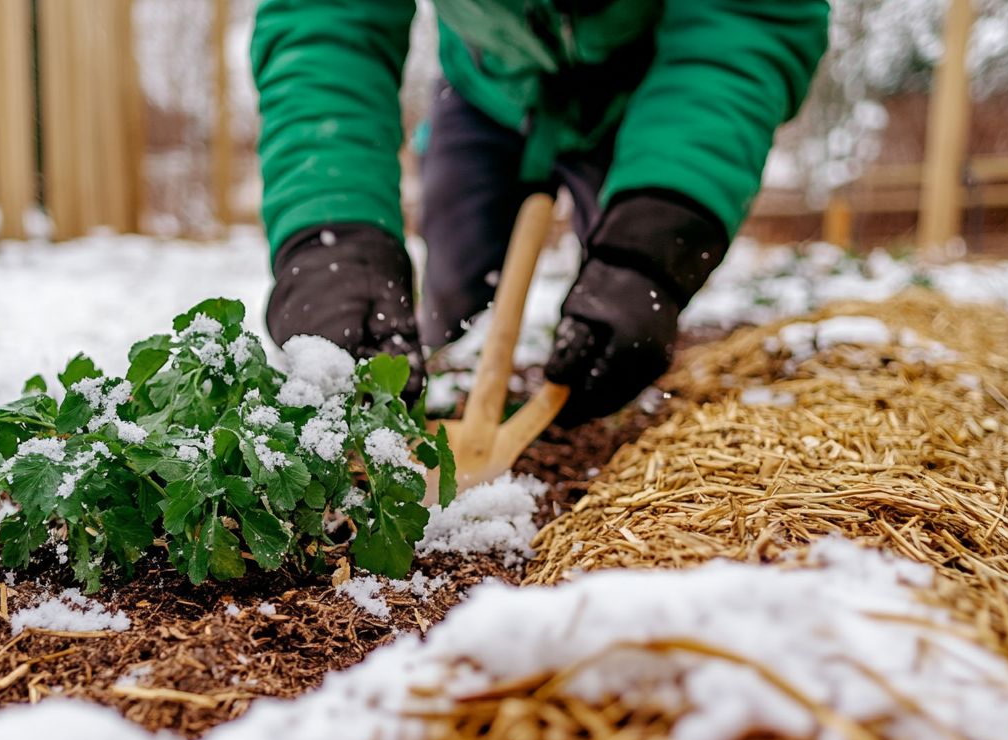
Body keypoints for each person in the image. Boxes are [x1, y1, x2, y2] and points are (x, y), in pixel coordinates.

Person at [252, 1, 829, 425]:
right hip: (486, 88)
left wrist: (657, 238)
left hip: (652, 91)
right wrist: (330, 227)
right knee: (452, 287)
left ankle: (586, 410)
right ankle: (441, 379)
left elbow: (751, 17)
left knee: (620, 301)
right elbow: (326, 24)